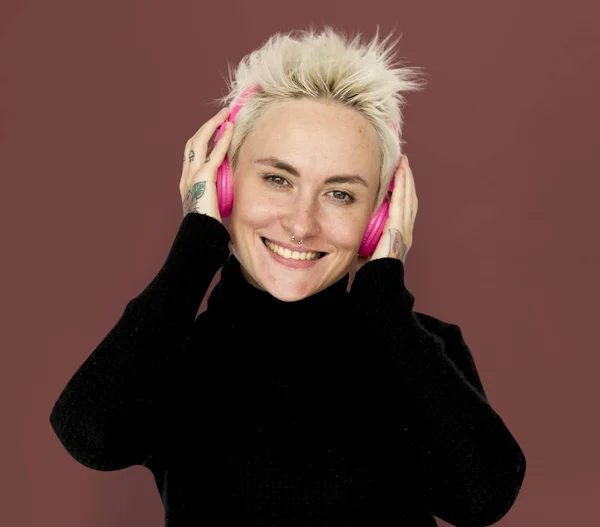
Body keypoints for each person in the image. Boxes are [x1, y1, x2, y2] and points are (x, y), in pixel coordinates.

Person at [49, 26, 526, 526]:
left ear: (378, 218)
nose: (301, 224)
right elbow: (90, 436)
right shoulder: (172, 355)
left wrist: (383, 293)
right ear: (224, 184)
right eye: (277, 179)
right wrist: (197, 237)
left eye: (340, 193)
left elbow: (482, 497)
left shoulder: (422, 352)